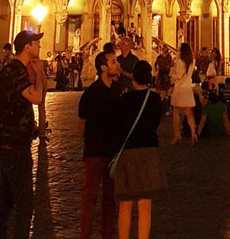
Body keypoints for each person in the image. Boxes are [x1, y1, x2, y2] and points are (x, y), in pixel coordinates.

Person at [0, 29, 44, 239]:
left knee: (6, 200)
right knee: (25, 203)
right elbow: (36, 97)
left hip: (10, 142)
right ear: (27, 47)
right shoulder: (15, 70)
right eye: (36, 43)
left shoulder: (15, 69)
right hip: (14, 146)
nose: (39, 46)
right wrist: (39, 73)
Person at [114, 61, 165, 239]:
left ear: (133, 78)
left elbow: (117, 125)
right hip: (148, 152)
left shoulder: (124, 99)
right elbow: (156, 122)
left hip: (127, 152)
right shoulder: (155, 99)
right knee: (144, 205)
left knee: (125, 204)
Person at [78, 50, 123, 239]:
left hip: (113, 152)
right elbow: (81, 124)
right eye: (113, 62)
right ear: (103, 67)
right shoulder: (91, 93)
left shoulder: (118, 89)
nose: (117, 64)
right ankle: (85, 235)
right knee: (90, 197)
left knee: (110, 199)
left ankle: (107, 234)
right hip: (95, 152)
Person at [169, 42, 198, 144]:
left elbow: (178, 76)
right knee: (189, 114)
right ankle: (193, 134)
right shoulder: (192, 61)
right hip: (188, 88)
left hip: (179, 88)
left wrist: (171, 75)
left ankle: (177, 135)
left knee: (176, 113)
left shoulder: (179, 62)